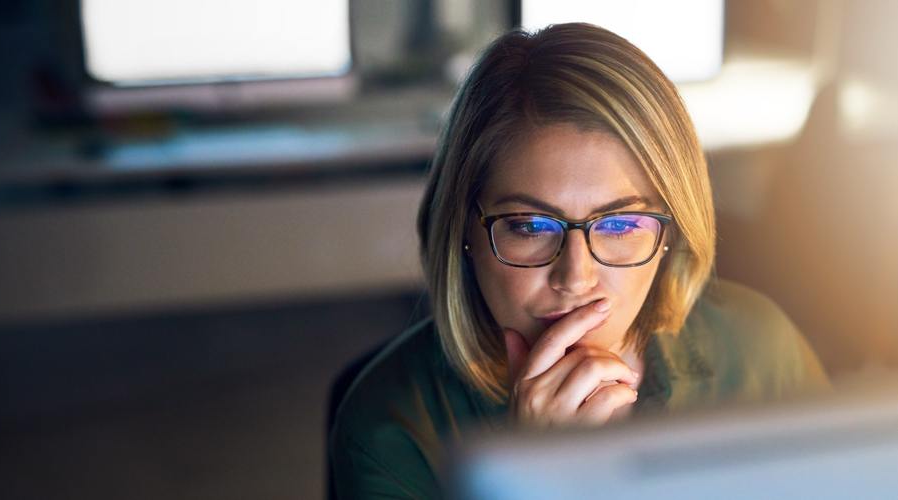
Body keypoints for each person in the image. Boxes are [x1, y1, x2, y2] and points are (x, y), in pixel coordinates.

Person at [329, 22, 830, 498]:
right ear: (464, 228)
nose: (576, 278)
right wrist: (540, 477)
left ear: (672, 232)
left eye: (619, 225)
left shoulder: (761, 351)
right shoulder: (389, 430)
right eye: (528, 226)